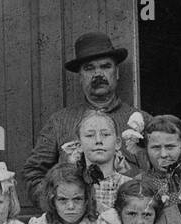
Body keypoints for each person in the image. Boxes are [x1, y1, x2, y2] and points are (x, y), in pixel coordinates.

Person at [22, 32, 145, 201]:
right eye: (89, 68)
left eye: (105, 66)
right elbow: (33, 172)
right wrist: (57, 205)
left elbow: (161, 171)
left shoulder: (141, 120)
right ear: (80, 76)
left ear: (116, 72)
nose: (98, 74)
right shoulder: (59, 121)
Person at [62, 108, 132, 213]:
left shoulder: (129, 186)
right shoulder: (70, 186)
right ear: (79, 145)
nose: (98, 141)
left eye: (105, 135)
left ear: (117, 143)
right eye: (90, 135)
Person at [134, 116, 181, 206]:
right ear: (146, 150)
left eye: (170, 147)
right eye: (156, 147)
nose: (163, 154)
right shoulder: (139, 183)